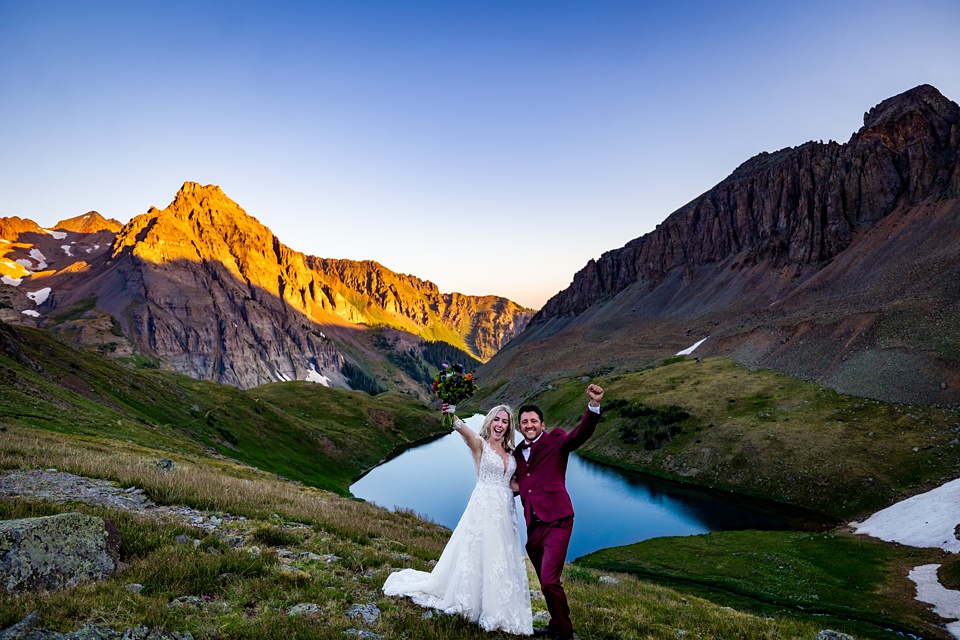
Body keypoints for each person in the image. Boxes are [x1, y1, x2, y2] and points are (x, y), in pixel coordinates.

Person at [383, 404, 534, 636]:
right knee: (479, 553)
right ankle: (474, 603)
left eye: (504, 422)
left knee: (500, 556)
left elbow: (512, 484)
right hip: (483, 508)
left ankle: (500, 607)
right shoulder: (480, 445)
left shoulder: (511, 452)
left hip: (505, 511)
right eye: (496, 420)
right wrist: (450, 414)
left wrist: (535, 487)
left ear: (508, 427)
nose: (500, 425)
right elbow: (463, 430)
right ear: (489, 422)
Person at [513, 384, 604, 640]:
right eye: (524, 422)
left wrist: (593, 406)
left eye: (533, 421)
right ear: (520, 427)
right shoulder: (518, 453)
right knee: (546, 583)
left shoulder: (556, 441)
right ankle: (556, 623)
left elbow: (580, 435)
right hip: (534, 527)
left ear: (543, 424)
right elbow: (519, 483)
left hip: (558, 520)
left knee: (550, 581)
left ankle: (565, 633)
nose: (529, 425)